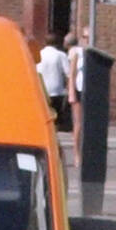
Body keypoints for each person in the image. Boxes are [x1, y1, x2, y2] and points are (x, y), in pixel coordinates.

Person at [36, 33, 69, 127]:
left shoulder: (39, 53)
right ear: (58, 43)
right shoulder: (60, 55)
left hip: (42, 88)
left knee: (44, 114)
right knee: (56, 115)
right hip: (57, 89)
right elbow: (68, 73)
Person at [66, 28, 87, 168]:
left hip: (90, 91)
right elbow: (71, 74)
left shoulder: (93, 53)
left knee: (89, 124)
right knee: (78, 124)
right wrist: (71, 92)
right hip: (79, 90)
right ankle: (77, 155)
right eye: (85, 37)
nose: (87, 40)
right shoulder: (76, 53)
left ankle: (87, 153)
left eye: (90, 37)